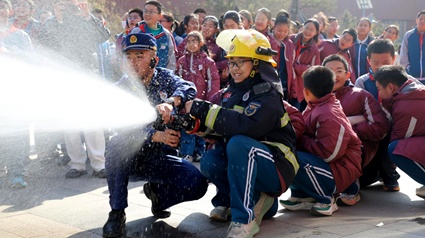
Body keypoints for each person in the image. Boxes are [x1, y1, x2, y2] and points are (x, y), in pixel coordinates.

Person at [186, 29, 299, 237]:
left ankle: (243, 219)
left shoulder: (267, 95)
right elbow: (221, 125)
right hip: (253, 159)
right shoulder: (231, 92)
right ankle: (255, 202)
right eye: (231, 62)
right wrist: (193, 124)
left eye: (240, 62)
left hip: (278, 165)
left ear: (256, 64)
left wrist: (203, 109)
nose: (233, 69)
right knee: (210, 159)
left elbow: (246, 126)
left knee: (238, 143)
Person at [102, 32, 208, 238]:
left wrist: (171, 101)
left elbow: (188, 87)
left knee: (197, 184)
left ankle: (158, 195)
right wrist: (154, 135)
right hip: (130, 158)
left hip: (159, 158)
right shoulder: (122, 87)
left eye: (139, 56)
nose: (133, 62)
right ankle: (116, 212)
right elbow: (121, 129)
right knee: (115, 145)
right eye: (129, 57)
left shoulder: (164, 78)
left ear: (154, 59)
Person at [37, 0, 111, 178]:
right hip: (64, 81)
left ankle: (99, 164)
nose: (65, 8)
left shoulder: (84, 21)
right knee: (70, 125)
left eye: (68, 4)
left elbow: (103, 35)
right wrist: (58, 19)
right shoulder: (52, 24)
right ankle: (77, 164)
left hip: (87, 79)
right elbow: (45, 44)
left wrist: (87, 16)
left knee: (93, 123)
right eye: (60, 4)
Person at [280, 66, 362, 216]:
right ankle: (302, 195)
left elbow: (329, 154)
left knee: (295, 157)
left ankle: (326, 198)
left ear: (307, 91)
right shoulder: (316, 106)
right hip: (330, 167)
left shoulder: (329, 113)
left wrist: (302, 139)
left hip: (340, 171)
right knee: (286, 153)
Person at [323, 54, 389, 205]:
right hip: (327, 147)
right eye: (329, 71)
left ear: (347, 74)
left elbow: (380, 127)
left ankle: (350, 188)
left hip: (357, 149)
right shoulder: (318, 97)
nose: (334, 75)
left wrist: (349, 128)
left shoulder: (360, 95)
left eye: (339, 70)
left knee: (344, 144)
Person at [355, 39, 401, 191]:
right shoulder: (362, 82)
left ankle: (390, 176)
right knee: (364, 179)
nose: (381, 67)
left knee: (388, 146)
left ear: (394, 59)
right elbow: (357, 107)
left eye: (386, 62)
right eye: (376, 63)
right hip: (371, 129)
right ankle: (378, 174)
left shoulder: (404, 81)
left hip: (396, 129)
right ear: (368, 61)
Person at [375, 65, 425, 199]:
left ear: (390, 87)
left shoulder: (405, 106)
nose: (378, 94)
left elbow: (401, 138)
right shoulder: (413, 89)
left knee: (395, 149)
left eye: (379, 89)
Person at [0, 0, 33, 189]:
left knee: (16, 135)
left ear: (9, 10)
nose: (1, 11)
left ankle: (16, 174)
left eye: (3, 7)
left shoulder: (20, 36)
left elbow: (31, 61)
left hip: (14, 94)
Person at [176, 31, 220, 162]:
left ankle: (199, 152)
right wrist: (180, 97)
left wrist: (209, 100)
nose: (191, 44)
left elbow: (213, 81)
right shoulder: (182, 61)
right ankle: (187, 153)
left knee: (200, 128)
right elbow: (178, 80)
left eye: (194, 41)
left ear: (201, 43)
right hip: (186, 101)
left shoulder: (208, 62)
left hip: (202, 101)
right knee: (187, 126)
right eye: (188, 41)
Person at [130, 0, 176, 70]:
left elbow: (171, 58)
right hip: (140, 76)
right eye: (145, 11)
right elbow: (129, 54)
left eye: (151, 12)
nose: (147, 14)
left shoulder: (166, 34)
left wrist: (168, 75)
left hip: (161, 77)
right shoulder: (137, 32)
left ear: (159, 16)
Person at [289, 18, 321, 111]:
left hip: (299, 86)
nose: (308, 31)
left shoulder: (314, 49)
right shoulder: (290, 39)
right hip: (286, 80)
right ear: (302, 27)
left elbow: (314, 69)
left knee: (295, 112)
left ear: (316, 32)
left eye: (312, 30)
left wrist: (296, 67)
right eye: (306, 28)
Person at [272, 15, 295, 101]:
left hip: (284, 82)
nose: (282, 34)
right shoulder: (268, 40)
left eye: (285, 31)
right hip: (270, 81)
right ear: (274, 27)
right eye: (279, 30)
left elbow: (291, 67)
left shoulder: (289, 44)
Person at [400, 10, 425, 83]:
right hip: (411, 77)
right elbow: (403, 54)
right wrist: (408, 68)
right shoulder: (408, 35)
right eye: (421, 19)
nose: (422, 21)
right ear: (416, 20)